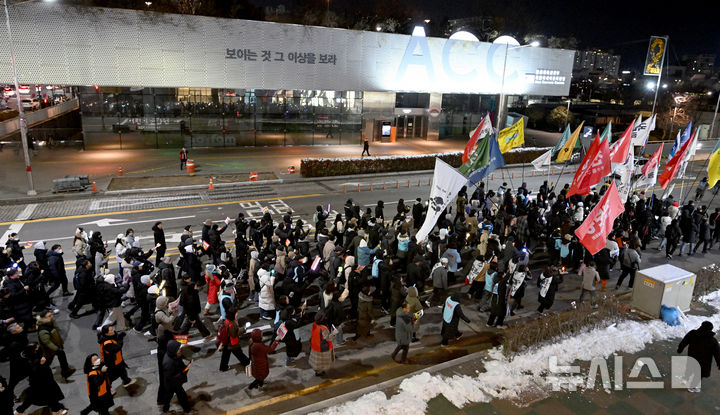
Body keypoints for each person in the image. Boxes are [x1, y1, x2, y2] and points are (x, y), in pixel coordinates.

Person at [14, 343, 69, 415]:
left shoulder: (34, 356)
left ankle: (19, 411)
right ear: (33, 350)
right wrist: (41, 364)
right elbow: (34, 371)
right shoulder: (31, 360)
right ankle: (56, 410)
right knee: (48, 394)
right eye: (37, 347)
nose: (39, 347)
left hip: (42, 380)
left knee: (36, 397)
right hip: (41, 381)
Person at [677, 321, 720, 392]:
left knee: (689, 368)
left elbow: (684, 341)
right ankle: (692, 387)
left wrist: (680, 348)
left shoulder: (693, 333)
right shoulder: (713, 341)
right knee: (699, 374)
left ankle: (685, 379)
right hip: (704, 361)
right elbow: (717, 353)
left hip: (692, 356)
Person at [37, 310, 75, 380]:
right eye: (49, 316)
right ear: (44, 319)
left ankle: (65, 370)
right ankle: (39, 374)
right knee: (47, 361)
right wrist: (56, 349)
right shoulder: (43, 330)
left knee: (61, 355)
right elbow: (47, 342)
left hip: (55, 345)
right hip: (50, 349)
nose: (52, 316)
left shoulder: (49, 322)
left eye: (51, 315)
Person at [162, 340, 192, 413]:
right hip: (172, 383)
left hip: (173, 382)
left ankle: (165, 408)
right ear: (173, 350)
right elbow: (171, 377)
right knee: (182, 395)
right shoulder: (168, 363)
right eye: (178, 349)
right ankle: (187, 410)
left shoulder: (172, 354)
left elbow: (178, 359)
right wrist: (184, 371)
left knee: (169, 395)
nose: (180, 350)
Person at [309, 311, 337, 376]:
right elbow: (328, 338)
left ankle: (317, 371)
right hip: (322, 347)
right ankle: (319, 372)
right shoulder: (323, 329)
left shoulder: (315, 324)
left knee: (316, 361)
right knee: (321, 361)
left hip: (315, 345)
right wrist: (334, 333)